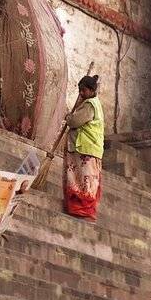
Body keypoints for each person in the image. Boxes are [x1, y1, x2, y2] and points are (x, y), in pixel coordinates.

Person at [62, 73, 104, 221]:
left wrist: (68, 117)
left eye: (84, 90)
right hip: (88, 149)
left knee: (83, 182)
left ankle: (83, 210)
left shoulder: (89, 105)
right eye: (80, 89)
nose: (81, 93)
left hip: (85, 148)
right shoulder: (92, 103)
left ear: (91, 91)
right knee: (84, 181)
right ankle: (79, 209)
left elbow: (75, 121)